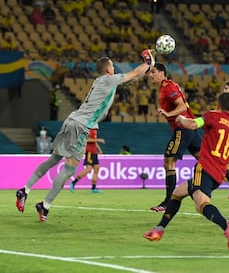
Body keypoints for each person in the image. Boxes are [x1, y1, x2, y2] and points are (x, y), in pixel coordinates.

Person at [15, 50, 155, 221]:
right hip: (81, 126)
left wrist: (148, 68)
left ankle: (25, 189)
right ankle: (45, 205)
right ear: (107, 70)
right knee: (69, 170)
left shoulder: (104, 82)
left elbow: (133, 78)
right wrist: (147, 61)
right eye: (112, 65)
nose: (114, 67)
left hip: (71, 120)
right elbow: (133, 73)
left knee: (53, 160)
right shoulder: (109, 80)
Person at [143, 92, 229, 250]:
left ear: (218, 105)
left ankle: (227, 225)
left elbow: (193, 125)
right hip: (219, 175)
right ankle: (159, 229)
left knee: (201, 205)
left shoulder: (213, 116)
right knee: (178, 193)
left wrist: (180, 119)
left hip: (205, 168)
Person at [147, 63, 202, 212]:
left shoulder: (168, 87)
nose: (150, 75)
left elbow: (182, 106)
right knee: (205, 159)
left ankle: (168, 202)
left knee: (169, 162)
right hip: (190, 128)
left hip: (182, 128)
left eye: (153, 72)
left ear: (161, 73)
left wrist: (168, 113)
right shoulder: (167, 86)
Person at [69, 129, 105, 193]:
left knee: (96, 169)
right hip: (89, 152)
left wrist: (99, 149)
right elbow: (86, 140)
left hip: (94, 152)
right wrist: (98, 140)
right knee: (89, 169)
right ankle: (73, 182)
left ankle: (93, 188)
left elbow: (94, 141)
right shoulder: (89, 130)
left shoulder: (94, 130)